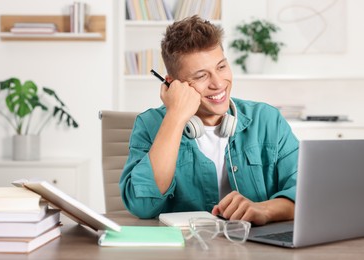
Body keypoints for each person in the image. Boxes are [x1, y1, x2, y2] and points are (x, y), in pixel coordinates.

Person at [119, 15, 298, 226]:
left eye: (221, 67)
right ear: (173, 84)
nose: (218, 83)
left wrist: (264, 210)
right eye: (201, 76)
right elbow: (143, 205)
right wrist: (175, 117)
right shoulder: (149, 124)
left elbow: (307, 192)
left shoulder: (267, 120)